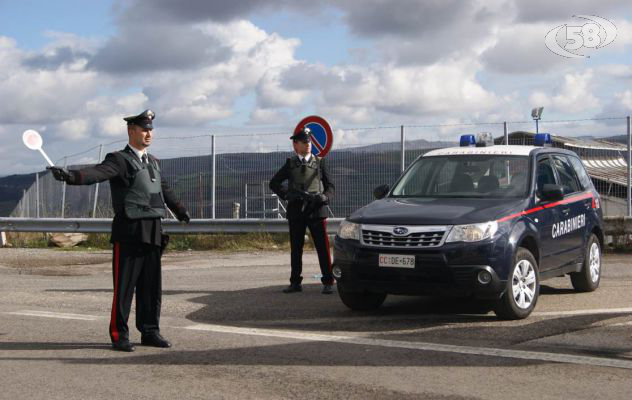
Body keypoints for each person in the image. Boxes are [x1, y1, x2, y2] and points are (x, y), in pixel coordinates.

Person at [48, 109, 190, 352]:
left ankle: (150, 331)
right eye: (144, 129)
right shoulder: (119, 160)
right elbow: (97, 174)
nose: (148, 133)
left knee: (151, 286)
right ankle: (119, 334)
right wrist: (72, 176)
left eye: (150, 130)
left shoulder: (153, 161)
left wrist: (180, 210)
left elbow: (163, 189)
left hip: (153, 229)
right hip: (129, 230)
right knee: (124, 287)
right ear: (131, 131)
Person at [269, 127, 336, 294]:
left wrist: (325, 197)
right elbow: (274, 183)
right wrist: (287, 194)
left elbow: (331, 186)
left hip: (316, 210)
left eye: (309, 142)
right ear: (295, 145)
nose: (308, 145)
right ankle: (295, 282)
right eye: (304, 142)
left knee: (322, 247)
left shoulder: (320, 162)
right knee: (296, 248)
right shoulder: (290, 163)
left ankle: (328, 281)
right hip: (296, 210)